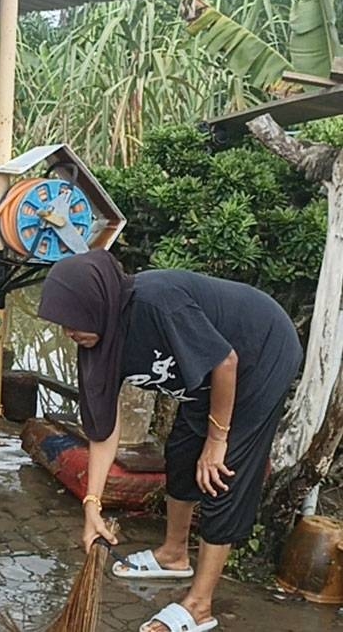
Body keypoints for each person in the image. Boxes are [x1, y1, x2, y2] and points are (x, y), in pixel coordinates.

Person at [37, 250, 303, 632]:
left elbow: (225, 361)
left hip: (260, 352)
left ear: (98, 304)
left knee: (221, 474)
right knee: (180, 453)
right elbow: (103, 429)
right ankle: (174, 555)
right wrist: (92, 505)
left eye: (74, 321)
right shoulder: (98, 345)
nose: (69, 333)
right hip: (210, 376)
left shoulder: (157, 303)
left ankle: (199, 605)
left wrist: (217, 439)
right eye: (63, 325)